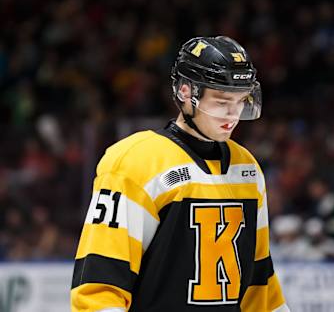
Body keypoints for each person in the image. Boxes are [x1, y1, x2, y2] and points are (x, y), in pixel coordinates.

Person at [71, 36, 290, 311]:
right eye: (221, 102)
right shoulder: (135, 162)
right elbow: (99, 285)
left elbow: (261, 285)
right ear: (186, 93)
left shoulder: (246, 168)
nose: (232, 115)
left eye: (239, 101)